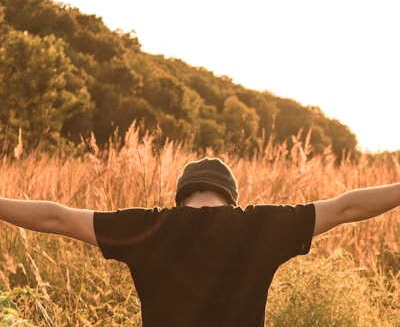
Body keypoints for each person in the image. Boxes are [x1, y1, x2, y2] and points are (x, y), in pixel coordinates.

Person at [1, 156, 400, 326]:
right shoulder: (260, 226)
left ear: (182, 194)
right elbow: (346, 208)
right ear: (231, 196)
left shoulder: (147, 228)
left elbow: (57, 216)